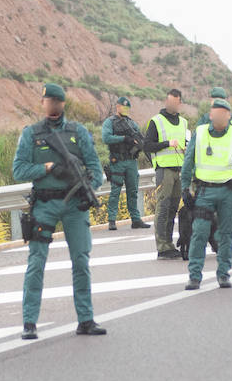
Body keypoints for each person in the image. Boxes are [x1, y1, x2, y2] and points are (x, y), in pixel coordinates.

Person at [12, 83, 107, 340]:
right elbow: (19, 170)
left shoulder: (79, 132)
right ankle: (29, 323)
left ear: (63, 103)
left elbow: (96, 169)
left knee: (81, 261)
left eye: (57, 100)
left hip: (75, 205)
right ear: (42, 103)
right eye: (48, 100)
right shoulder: (31, 134)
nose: (52, 105)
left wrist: (88, 187)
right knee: (36, 263)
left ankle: (85, 320)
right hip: (45, 205)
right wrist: (48, 168)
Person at [180, 98, 232, 289]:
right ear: (211, 115)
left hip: (229, 192)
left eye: (224, 113)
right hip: (204, 191)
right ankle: (195, 276)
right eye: (216, 113)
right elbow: (188, 160)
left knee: (225, 234)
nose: (220, 117)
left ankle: (223, 274)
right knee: (199, 232)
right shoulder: (201, 133)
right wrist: (185, 188)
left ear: (228, 116)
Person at [143, 88, 188, 260]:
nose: (172, 105)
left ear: (179, 103)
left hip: (179, 170)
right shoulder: (156, 121)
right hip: (164, 170)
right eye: (169, 102)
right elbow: (147, 145)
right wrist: (167, 143)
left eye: (175, 102)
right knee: (163, 208)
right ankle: (162, 247)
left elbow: (186, 142)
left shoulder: (183, 122)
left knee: (173, 208)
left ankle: (169, 244)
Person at [99, 96, 150, 231]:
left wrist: (139, 143)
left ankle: (136, 219)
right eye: (123, 107)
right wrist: (124, 139)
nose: (125, 110)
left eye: (128, 107)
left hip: (131, 161)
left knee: (133, 191)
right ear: (117, 106)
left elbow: (139, 138)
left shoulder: (132, 124)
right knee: (115, 191)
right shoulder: (110, 122)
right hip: (118, 161)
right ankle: (112, 220)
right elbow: (106, 138)